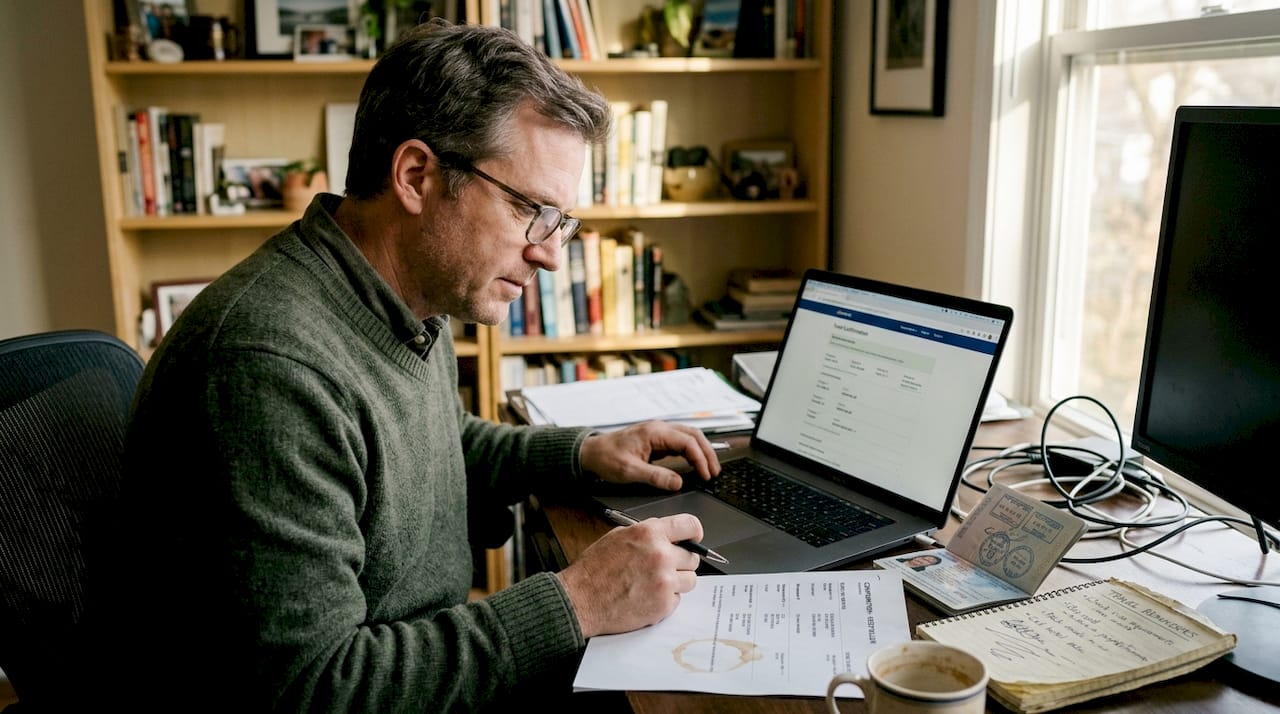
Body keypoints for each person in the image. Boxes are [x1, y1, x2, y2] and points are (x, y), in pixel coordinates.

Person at [90, 18, 722, 712]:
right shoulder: (268, 370)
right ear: (417, 175)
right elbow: (314, 688)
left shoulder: (403, 297)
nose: (548, 253)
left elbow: (438, 446)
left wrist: (583, 454)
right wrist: (575, 603)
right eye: (529, 211)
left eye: (559, 223)